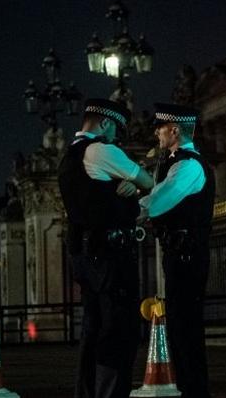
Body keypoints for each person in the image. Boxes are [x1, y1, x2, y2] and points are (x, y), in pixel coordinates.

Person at [58, 98, 154, 398]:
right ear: (106, 123)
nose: (117, 138)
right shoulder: (101, 150)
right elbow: (148, 181)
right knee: (119, 331)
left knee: (93, 328)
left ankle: (87, 393)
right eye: (117, 131)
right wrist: (135, 187)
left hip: (83, 254)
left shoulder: (69, 156)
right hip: (111, 253)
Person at [138, 103, 216, 398]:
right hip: (178, 253)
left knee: (186, 330)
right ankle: (189, 388)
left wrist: (127, 212)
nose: (156, 133)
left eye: (160, 128)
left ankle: (195, 391)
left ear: (174, 130)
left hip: (188, 254)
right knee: (180, 329)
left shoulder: (189, 165)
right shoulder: (174, 162)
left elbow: (160, 200)